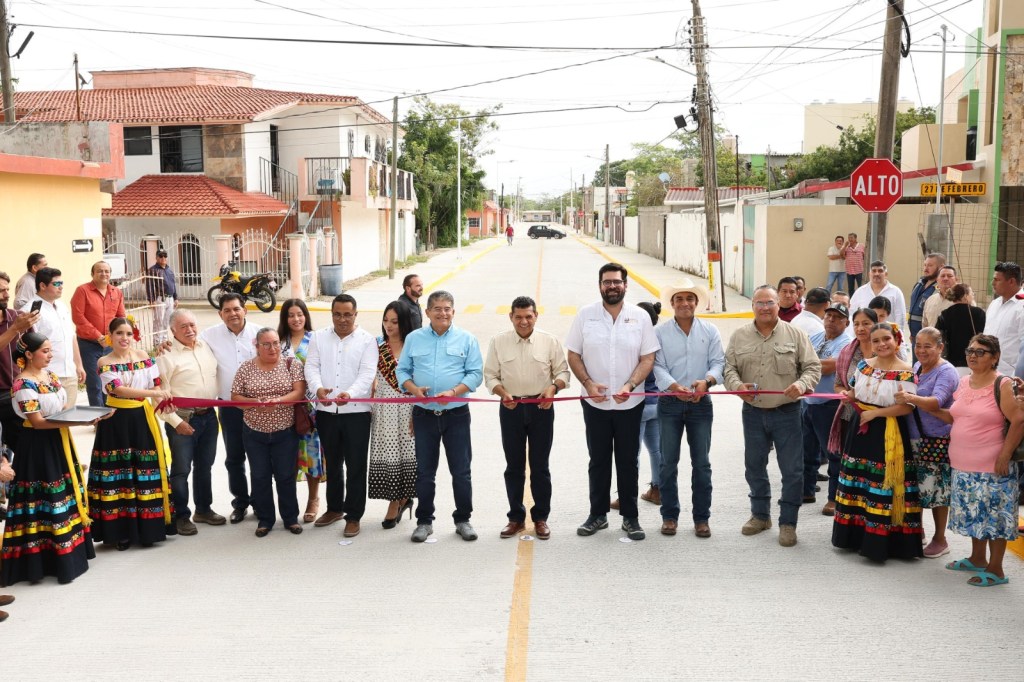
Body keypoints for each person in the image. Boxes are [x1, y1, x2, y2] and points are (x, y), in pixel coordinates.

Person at [566, 263, 659, 541]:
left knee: (628, 461)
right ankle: (597, 515)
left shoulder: (640, 317)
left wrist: (630, 385)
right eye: (607, 282)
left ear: (625, 285)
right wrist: (588, 384)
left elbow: (648, 357)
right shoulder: (585, 315)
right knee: (598, 460)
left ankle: (631, 518)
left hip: (630, 404)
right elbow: (573, 354)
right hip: (594, 404)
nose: (612, 286)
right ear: (600, 286)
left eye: (617, 282)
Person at [724, 284, 821, 547]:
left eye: (770, 302)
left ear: (779, 305)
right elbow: (729, 368)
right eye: (760, 303)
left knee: (792, 470)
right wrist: (737, 386)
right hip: (753, 412)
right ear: (752, 306)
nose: (765, 308)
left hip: (787, 412)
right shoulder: (740, 336)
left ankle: (788, 523)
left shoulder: (795, 334)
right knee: (754, 466)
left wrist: (801, 384)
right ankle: (760, 516)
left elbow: (812, 367)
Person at [921, 334, 1022, 587]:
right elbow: (958, 417)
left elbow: (1019, 420)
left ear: (995, 357)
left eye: (980, 352)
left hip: (993, 466)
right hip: (963, 464)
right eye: (970, 351)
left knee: (995, 517)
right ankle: (977, 558)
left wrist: (1005, 455)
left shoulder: (1002, 384)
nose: (973, 356)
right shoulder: (965, 381)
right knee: (976, 515)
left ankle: (996, 569)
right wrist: (927, 406)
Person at [1, 333, 95, 586]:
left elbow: (61, 410)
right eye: (45, 351)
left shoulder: (50, 376)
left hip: (58, 439)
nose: (50, 355)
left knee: (64, 493)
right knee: (46, 498)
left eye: (50, 350)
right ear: (28, 354)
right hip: (37, 446)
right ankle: (44, 561)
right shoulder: (22, 384)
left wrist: (82, 415)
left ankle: (72, 554)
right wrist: (80, 422)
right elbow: (38, 422)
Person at [397, 290, 483, 543]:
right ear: (427, 312)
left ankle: (463, 519)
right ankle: (424, 521)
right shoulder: (414, 339)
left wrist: (454, 392)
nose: (442, 313)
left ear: (453, 312)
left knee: (461, 471)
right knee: (425, 472)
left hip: (456, 414)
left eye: (447, 309)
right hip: (424, 415)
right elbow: (403, 371)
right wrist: (414, 389)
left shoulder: (467, 339)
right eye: (437, 308)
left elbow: (475, 374)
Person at [832, 322, 922, 562]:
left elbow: (907, 407)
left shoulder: (906, 371)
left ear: (896, 340)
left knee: (884, 482)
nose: (882, 344)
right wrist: (848, 396)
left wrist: (876, 414)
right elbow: (855, 392)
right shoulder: (864, 365)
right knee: (858, 479)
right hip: (860, 429)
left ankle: (882, 544)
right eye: (876, 341)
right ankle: (853, 537)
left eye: (886, 339)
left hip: (887, 430)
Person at [484, 295, 569, 540]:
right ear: (511, 317)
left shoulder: (549, 341)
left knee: (540, 466)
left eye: (528, 316)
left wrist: (553, 388)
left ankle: (540, 518)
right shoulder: (498, 341)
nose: (524, 322)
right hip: (510, 408)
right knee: (514, 466)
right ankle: (516, 518)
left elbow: (563, 372)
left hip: (541, 409)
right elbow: (490, 375)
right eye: (518, 317)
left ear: (536, 316)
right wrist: (502, 393)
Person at [87, 317, 175, 550]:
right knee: (120, 474)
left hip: (142, 419)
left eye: (128, 333)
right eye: (119, 333)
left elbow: (156, 383)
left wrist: (162, 402)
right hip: (116, 422)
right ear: (110, 336)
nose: (124, 338)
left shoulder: (144, 356)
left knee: (145, 470)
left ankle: (149, 529)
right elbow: (118, 389)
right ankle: (121, 532)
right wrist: (154, 393)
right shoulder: (104, 361)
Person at [653, 280, 724, 538]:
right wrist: (673, 386)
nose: (685, 303)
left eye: (690, 298)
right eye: (680, 299)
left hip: (700, 405)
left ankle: (701, 519)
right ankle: (669, 517)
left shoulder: (710, 330)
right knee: (668, 463)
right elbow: (657, 365)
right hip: (669, 403)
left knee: (702, 464)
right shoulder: (660, 333)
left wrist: (707, 382)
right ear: (672, 304)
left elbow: (718, 362)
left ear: (697, 302)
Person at [304, 294, 377, 538]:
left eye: (347, 314)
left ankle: (353, 516)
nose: (342, 319)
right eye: (337, 314)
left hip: (356, 412)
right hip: (326, 411)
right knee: (333, 464)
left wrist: (351, 393)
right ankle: (334, 508)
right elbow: (311, 367)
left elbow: (367, 373)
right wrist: (317, 389)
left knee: (356, 465)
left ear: (355, 315)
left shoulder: (367, 340)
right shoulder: (318, 337)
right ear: (332, 314)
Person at [231, 327, 307, 537]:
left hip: (285, 432)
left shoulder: (291, 364)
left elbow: (299, 391)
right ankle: (265, 519)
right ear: (257, 346)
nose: (272, 348)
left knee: (286, 476)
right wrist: (257, 403)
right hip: (254, 433)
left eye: (275, 343)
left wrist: (278, 401)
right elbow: (235, 397)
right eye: (266, 344)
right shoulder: (246, 368)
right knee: (260, 476)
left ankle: (290, 518)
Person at [156, 309, 224, 537]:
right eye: (183, 326)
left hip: (209, 416)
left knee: (205, 466)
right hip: (182, 418)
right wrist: (176, 422)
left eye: (192, 325)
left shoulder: (206, 346)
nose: (189, 330)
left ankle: (203, 510)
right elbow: (159, 395)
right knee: (181, 470)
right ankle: (181, 516)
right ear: (172, 330)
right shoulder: (166, 355)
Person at [893, 327, 959, 558]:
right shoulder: (917, 367)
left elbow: (936, 401)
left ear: (940, 347)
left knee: (938, 491)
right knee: (915, 488)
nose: (921, 351)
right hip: (915, 438)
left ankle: (940, 539)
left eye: (927, 346)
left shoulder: (947, 371)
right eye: (918, 346)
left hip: (936, 440)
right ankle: (916, 531)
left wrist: (910, 398)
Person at [200, 293, 259, 524]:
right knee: (234, 458)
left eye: (236, 309)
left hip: (258, 407)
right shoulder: (209, 336)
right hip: (229, 407)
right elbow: (188, 344)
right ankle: (240, 504)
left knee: (259, 458)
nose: (232, 314)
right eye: (227, 310)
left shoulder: (259, 333)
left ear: (245, 310)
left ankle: (261, 503)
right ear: (220, 314)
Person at [369, 301, 417, 529]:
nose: (388, 325)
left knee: (407, 453)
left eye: (394, 322)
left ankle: (403, 498)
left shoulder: (413, 346)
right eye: (386, 320)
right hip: (384, 409)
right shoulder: (377, 345)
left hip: (408, 407)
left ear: (404, 322)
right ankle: (394, 499)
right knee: (389, 453)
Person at [804, 301, 852, 516]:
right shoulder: (815, 337)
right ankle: (806, 491)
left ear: (846, 323)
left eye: (837, 317)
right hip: (808, 401)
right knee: (806, 450)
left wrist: (806, 365)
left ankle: (834, 498)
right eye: (828, 316)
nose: (831, 320)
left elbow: (830, 367)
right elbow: (797, 359)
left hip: (830, 404)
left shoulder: (846, 343)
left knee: (833, 454)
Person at [278, 298, 322, 523]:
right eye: (291, 315)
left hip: (311, 408)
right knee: (288, 456)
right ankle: (289, 505)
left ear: (306, 316)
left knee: (311, 454)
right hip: (285, 407)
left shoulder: (316, 340)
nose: (296, 319)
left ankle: (313, 499)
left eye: (300, 314)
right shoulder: (278, 342)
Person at [20, 267, 85, 409]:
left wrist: (78, 365)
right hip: (47, 374)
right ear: (42, 286)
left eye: (61, 283)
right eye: (56, 284)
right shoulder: (29, 311)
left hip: (69, 372)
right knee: (51, 417)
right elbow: (31, 346)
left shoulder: (61, 306)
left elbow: (71, 336)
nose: (61, 287)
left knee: (69, 416)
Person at [71, 261, 126, 407]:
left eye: (107, 271)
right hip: (88, 345)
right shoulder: (82, 291)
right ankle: (99, 418)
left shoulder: (116, 292)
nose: (104, 274)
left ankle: (111, 415)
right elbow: (78, 317)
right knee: (95, 384)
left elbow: (121, 317)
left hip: (110, 345)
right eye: (100, 271)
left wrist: (115, 336)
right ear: (92, 274)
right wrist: (97, 335)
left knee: (111, 382)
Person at [0, 272, 41, 454]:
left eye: (7, 289)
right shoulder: (18, 324)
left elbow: (35, 350)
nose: (7, 295)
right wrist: (15, 329)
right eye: (1, 291)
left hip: (16, 392)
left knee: (26, 448)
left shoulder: (19, 317)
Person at [634, 301, 663, 507]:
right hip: (657, 403)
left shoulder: (635, 343)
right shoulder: (659, 340)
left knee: (631, 453)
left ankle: (626, 495)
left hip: (638, 404)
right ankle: (657, 490)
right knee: (656, 450)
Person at [982, 261, 1024, 376]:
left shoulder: (1022, 305)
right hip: (987, 372)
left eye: (997, 280)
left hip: (1011, 375)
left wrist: (1018, 376)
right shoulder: (994, 304)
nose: (992, 283)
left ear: (1011, 281)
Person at [936, 284, 986, 371]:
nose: (973, 296)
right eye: (971, 293)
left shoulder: (945, 314)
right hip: (974, 359)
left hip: (951, 361)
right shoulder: (979, 313)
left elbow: (938, 337)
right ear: (965, 296)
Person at [849, 261, 907, 328]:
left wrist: (899, 333)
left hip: (887, 332)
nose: (876, 274)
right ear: (869, 274)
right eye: (874, 271)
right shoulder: (860, 292)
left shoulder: (896, 292)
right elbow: (851, 313)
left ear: (886, 274)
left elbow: (900, 316)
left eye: (880, 271)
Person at [907, 253, 945, 345]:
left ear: (941, 267)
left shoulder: (940, 288)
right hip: (914, 336)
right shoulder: (919, 284)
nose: (925, 269)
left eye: (930, 265)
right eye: (925, 265)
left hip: (929, 338)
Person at [146, 249, 178, 344]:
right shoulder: (153, 270)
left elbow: (173, 285)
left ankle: (164, 340)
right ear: (156, 258)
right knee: (158, 321)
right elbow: (149, 286)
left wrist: (175, 298)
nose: (163, 258)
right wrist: (152, 300)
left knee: (167, 321)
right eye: (160, 256)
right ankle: (157, 342)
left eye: (165, 256)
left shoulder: (169, 270)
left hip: (170, 298)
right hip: (160, 298)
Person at [867, 295, 911, 360]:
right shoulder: (865, 330)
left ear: (888, 314)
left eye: (882, 316)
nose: (878, 319)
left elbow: (903, 357)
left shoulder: (895, 331)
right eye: (875, 315)